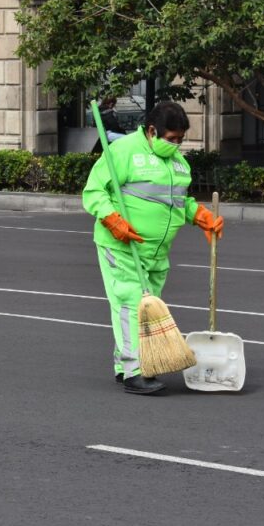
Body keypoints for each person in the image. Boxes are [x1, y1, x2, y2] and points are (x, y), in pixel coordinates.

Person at [82, 102, 224, 396]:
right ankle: (135, 370)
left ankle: (124, 366)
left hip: (156, 255)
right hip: (121, 246)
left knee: (144, 310)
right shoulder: (123, 152)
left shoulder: (178, 164)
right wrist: (111, 219)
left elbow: (177, 201)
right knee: (131, 305)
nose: (176, 145)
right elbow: (94, 190)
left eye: (180, 140)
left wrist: (199, 216)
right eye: (171, 138)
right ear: (151, 131)